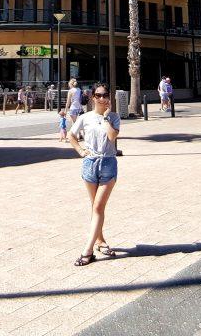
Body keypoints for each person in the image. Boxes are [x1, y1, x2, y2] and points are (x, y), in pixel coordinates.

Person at [68, 83, 121, 266]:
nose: (102, 98)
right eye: (98, 95)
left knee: (98, 207)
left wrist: (106, 118)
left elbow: (112, 137)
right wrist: (81, 151)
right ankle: (100, 240)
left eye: (105, 95)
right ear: (92, 98)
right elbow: (71, 135)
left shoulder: (114, 117)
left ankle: (87, 251)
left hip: (108, 163)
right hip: (90, 164)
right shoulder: (85, 117)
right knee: (95, 207)